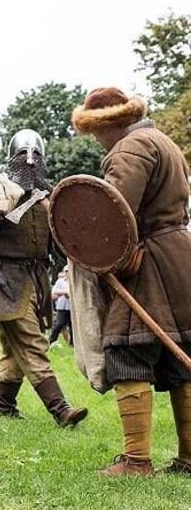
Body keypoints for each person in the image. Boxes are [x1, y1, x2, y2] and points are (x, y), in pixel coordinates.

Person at [71, 87, 191, 476]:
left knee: (128, 349)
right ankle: (188, 458)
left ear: (108, 124)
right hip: (180, 257)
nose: (97, 140)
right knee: (180, 354)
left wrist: (99, 254)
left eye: (96, 131)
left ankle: (136, 460)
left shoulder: (130, 148)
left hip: (148, 263)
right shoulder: (164, 142)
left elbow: (115, 215)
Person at [0, 130, 88, 426]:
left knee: (13, 349)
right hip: (4, 280)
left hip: (37, 279)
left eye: (36, 155)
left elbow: (60, 244)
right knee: (31, 342)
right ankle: (60, 409)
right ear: (11, 159)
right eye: (24, 155)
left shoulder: (48, 197)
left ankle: (4, 406)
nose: (30, 161)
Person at [48, 268, 72, 346]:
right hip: (62, 307)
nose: (67, 273)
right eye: (66, 271)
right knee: (60, 323)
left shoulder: (74, 281)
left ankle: (72, 343)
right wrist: (65, 292)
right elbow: (54, 292)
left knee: (72, 326)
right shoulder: (60, 281)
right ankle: (51, 340)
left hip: (72, 307)